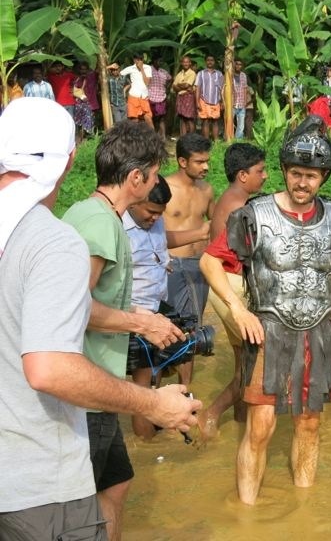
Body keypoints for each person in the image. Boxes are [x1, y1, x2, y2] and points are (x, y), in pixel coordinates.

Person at [0, 98, 200, 541]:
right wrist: (151, 396)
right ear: (69, 160)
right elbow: (55, 354)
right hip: (44, 464)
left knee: (117, 481)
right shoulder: (60, 236)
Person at [202, 115, 331, 504]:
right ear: (284, 171)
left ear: (323, 177)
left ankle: (304, 513)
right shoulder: (254, 215)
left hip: (318, 332)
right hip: (269, 329)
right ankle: (246, 514)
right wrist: (238, 309)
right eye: (296, 174)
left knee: (310, 423)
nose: (302, 183)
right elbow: (210, 263)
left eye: (311, 176)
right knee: (260, 426)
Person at [60, 119, 195, 541]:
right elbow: (70, 307)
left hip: (96, 379)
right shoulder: (103, 224)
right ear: (136, 178)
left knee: (115, 483)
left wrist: (149, 320)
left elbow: (95, 298)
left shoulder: (85, 210)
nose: (157, 183)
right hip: (90, 382)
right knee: (82, 498)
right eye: (154, 174)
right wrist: (140, 321)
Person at [124, 175, 210, 440]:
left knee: (150, 379)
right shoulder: (117, 229)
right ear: (133, 201)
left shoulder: (155, 220)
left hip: (156, 309)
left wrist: (165, 259)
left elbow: (159, 244)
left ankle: (148, 441)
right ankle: (146, 443)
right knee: (141, 385)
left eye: (159, 215)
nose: (154, 219)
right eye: (150, 212)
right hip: (132, 315)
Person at [198, 143, 268, 439]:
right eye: (260, 171)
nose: (265, 176)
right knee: (254, 368)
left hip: (223, 285)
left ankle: (240, 424)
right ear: (242, 175)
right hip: (233, 287)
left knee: (243, 363)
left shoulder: (228, 199)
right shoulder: (241, 208)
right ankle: (210, 416)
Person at [163, 132, 215, 384]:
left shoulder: (206, 190)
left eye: (207, 161)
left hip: (198, 266)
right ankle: (154, 389)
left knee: (192, 328)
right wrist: (199, 232)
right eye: (199, 162)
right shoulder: (163, 189)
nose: (205, 167)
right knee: (165, 327)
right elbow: (154, 234)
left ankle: (185, 391)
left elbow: (216, 227)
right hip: (171, 265)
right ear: (183, 162)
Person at [118, 54, 153, 128]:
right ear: (134, 60)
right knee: (134, 120)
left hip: (144, 97)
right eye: (136, 59)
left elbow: (147, 82)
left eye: (140, 59)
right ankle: (135, 137)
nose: (138, 61)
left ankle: (153, 138)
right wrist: (126, 86)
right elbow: (119, 74)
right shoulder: (131, 68)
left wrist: (142, 69)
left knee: (148, 118)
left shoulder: (148, 68)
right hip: (133, 96)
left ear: (143, 60)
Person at [195, 54, 223, 141]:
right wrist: (197, 102)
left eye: (212, 60)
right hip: (204, 100)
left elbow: (222, 89)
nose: (210, 62)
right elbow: (197, 88)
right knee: (205, 121)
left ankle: (216, 141)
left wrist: (223, 102)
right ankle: (206, 140)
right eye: (208, 60)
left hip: (216, 101)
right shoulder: (201, 74)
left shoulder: (219, 74)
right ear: (205, 62)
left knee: (215, 122)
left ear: (214, 62)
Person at [147, 56, 172, 139]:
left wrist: (167, 88)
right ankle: (153, 136)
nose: (160, 63)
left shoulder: (163, 72)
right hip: (151, 98)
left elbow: (171, 78)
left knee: (161, 118)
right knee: (152, 118)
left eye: (161, 61)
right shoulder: (149, 70)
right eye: (158, 61)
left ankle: (163, 136)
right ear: (154, 61)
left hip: (161, 98)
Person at [173, 55, 197, 136]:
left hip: (188, 97)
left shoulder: (192, 73)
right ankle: (183, 138)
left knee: (189, 118)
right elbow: (174, 86)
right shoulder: (179, 74)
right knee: (182, 118)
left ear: (190, 63)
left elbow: (187, 85)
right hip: (180, 97)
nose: (185, 63)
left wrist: (179, 85)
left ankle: (192, 137)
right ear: (181, 63)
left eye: (187, 62)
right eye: (184, 62)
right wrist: (183, 86)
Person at [73, 62, 96, 144]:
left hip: (89, 104)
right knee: (79, 124)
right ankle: (79, 141)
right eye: (81, 69)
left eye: (85, 69)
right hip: (79, 104)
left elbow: (98, 71)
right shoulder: (77, 79)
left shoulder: (91, 77)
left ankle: (86, 141)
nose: (83, 71)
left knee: (88, 123)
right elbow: (74, 90)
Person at [232, 58, 248, 139]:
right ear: (233, 64)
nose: (238, 66)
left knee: (241, 125)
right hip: (232, 104)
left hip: (241, 104)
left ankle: (238, 141)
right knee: (229, 123)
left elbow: (245, 88)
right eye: (236, 64)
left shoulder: (243, 75)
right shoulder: (229, 75)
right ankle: (229, 139)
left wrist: (245, 101)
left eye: (240, 64)